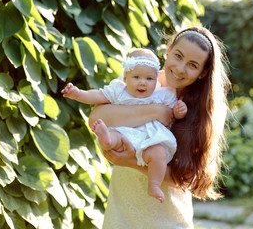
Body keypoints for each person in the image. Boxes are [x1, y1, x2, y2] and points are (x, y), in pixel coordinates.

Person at [89, 26, 231, 228]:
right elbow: (96, 117)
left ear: (203, 72)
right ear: (169, 49)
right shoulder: (141, 78)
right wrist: (157, 111)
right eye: (178, 56)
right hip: (122, 214)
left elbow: (188, 177)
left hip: (167, 219)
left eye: (192, 65)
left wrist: (132, 161)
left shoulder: (206, 108)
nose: (180, 68)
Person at [62, 48, 187, 202]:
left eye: (149, 79)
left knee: (159, 153)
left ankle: (154, 185)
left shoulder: (162, 94)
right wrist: (78, 94)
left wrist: (180, 111)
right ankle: (106, 139)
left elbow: (173, 114)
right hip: (124, 133)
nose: (143, 82)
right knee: (113, 137)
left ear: (156, 79)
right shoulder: (119, 91)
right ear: (125, 77)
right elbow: (98, 95)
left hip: (149, 139)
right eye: (136, 77)